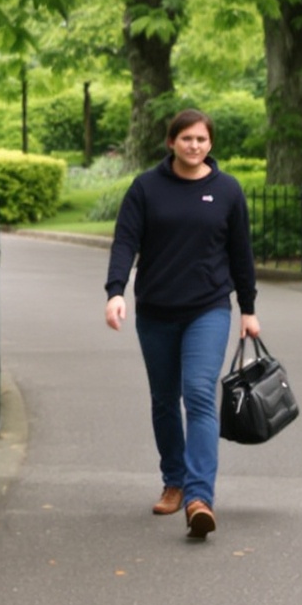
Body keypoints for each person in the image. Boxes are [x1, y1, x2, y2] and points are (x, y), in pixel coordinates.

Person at [105, 108, 259, 540]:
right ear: (171, 142)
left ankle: (198, 497)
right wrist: (115, 291)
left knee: (198, 394)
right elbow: (125, 242)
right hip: (155, 310)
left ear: (211, 144)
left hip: (208, 309)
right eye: (187, 139)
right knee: (163, 399)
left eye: (202, 139)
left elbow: (240, 255)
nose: (195, 146)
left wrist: (248, 309)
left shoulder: (227, 190)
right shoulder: (146, 188)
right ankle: (173, 480)